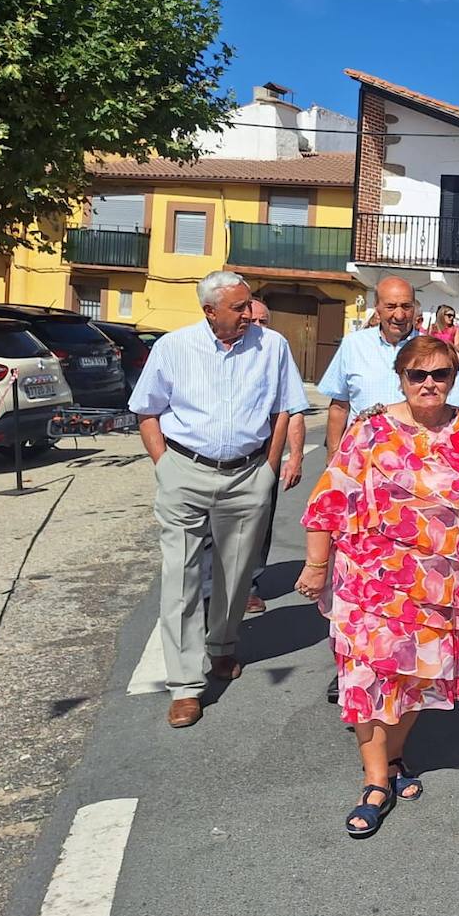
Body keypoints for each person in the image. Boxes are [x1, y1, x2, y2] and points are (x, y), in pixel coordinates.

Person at [296, 335, 459, 837]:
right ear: (401, 377)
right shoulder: (370, 427)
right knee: (369, 680)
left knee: (417, 682)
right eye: (418, 374)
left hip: (439, 587)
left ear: (454, 379)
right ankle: (374, 781)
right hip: (370, 583)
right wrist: (316, 564)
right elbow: (331, 497)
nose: (429, 384)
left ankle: (392, 760)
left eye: (439, 375)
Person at [130, 271, 307, 729]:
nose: (249, 314)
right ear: (210, 311)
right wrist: (164, 466)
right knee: (182, 577)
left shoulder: (272, 347)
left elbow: (284, 407)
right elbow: (146, 410)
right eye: (239, 308)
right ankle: (186, 685)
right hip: (185, 471)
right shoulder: (173, 348)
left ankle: (222, 648)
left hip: (248, 473)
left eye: (249, 305)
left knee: (235, 574)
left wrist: (269, 467)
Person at [319, 277, 459, 457]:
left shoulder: (434, 350)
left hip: (417, 461)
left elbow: (457, 406)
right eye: (391, 306)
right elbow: (339, 406)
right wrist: (333, 454)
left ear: (414, 309)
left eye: (406, 307)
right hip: (363, 459)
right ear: (377, 308)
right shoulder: (353, 345)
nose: (399, 315)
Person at [245, 299, 308, 613]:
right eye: (253, 320)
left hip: (263, 456)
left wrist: (294, 456)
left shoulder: (276, 351)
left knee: (258, 524)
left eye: (264, 321)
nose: (258, 327)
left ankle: (248, 586)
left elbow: (294, 409)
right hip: (222, 458)